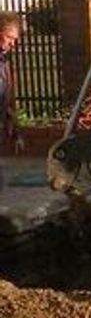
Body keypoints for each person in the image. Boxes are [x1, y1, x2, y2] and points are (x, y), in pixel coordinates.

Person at [0, 12, 24, 190]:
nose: (12, 43)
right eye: (10, 38)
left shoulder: (4, 64)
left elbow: (7, 102)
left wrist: (15, 132)